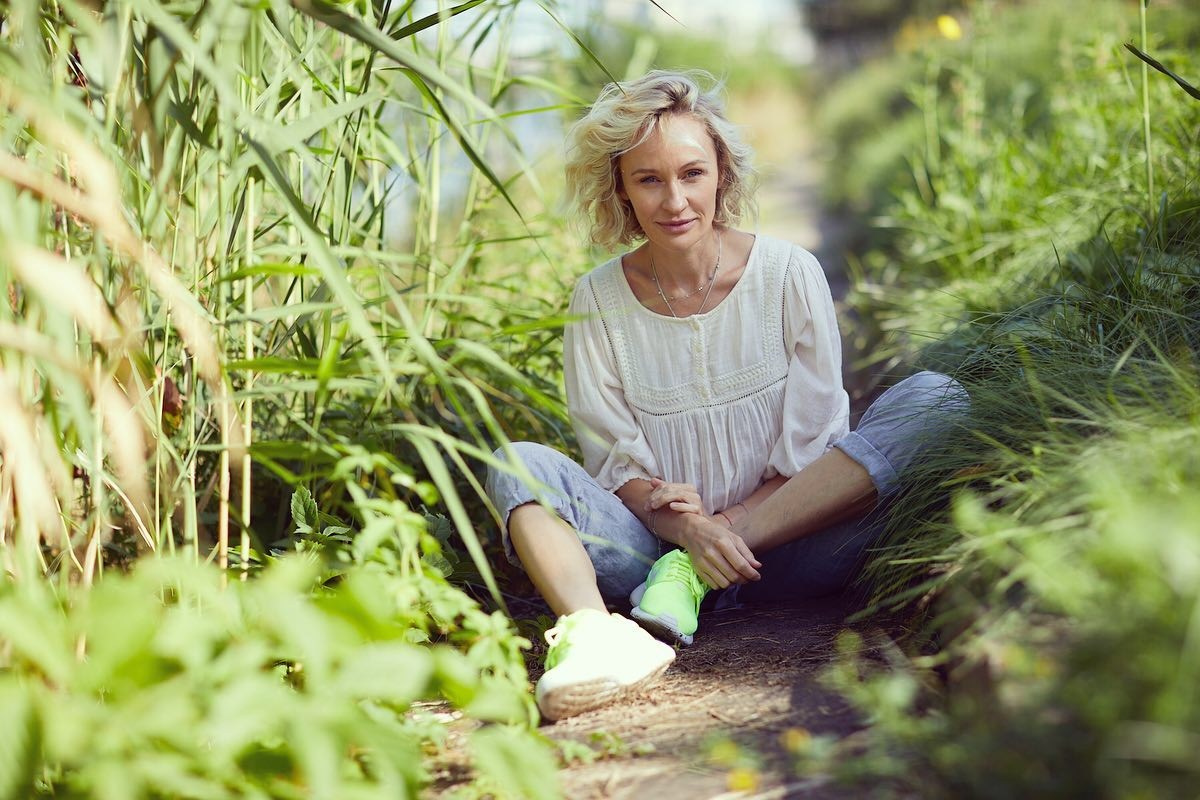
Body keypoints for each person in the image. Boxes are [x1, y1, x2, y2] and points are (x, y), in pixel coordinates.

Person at [485, 70, 968, 722]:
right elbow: (614, 461)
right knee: (515, 461)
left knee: (936, 399)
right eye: (648, 180)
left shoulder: (788, 274)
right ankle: (599, 638)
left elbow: (814, 449)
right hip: (649, 568)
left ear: (722, 175)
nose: (674, 200)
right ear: (621, 192)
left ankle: (695, 570)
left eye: (692, 174)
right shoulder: (595, 300)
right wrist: (677, 524)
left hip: (793, 551)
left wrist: (720, 532)